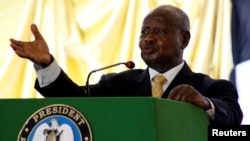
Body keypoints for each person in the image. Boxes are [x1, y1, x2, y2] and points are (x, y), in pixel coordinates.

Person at [10, 5, 242, 125]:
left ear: (184, 39)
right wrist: (47, 64)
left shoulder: (212, 88)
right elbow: (74, 103)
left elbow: (233, 121)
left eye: (159, 31)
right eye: (144, 32)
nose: (148, 38)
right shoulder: (116, 84)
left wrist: (204, 103)